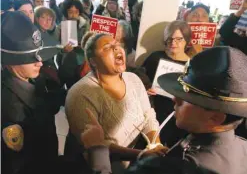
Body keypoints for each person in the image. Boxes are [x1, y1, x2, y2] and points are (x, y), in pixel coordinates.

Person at [81, 46, 247, 174]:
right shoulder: (242, 148)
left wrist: (97, 149)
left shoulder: (172, 169)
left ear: (215, 118)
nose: (175, 99)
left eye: (188, 98)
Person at [1, 11, 111, 174]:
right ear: (10, 61)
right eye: (31, 58)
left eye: (39, 54)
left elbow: (48, 99)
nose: (40, 62)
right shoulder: (10, 109)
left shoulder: (31, 78)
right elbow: (27, 165)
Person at [65, 33, 167, 172]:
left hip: (133, 166)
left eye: (117, 45)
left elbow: (148, 118)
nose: (117, 49)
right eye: (107, 48)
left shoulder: (134, 80)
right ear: (93, 61)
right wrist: (141, 155)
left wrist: (156, 146)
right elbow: (95, 145)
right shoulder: (80, 93)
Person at [143, 20, 191, 146]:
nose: (173, 43)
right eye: (169, 39)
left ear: (186, 40)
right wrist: (146, 88)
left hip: (175, 116)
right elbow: (140, 76)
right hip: (152, 110)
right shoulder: (155, 57)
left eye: (178, 39)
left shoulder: (192, 65)